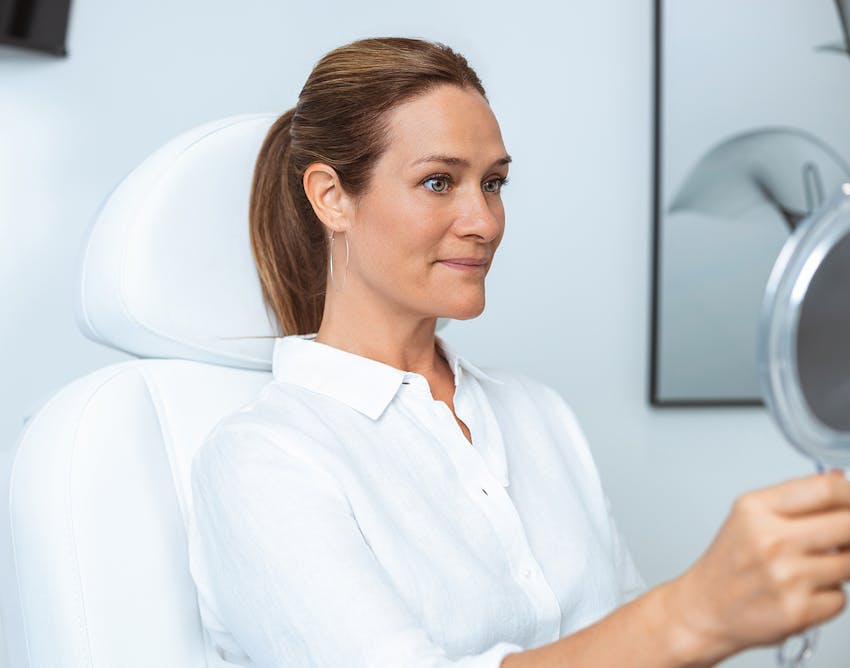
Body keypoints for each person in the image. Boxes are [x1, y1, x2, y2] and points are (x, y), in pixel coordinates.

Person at [188, 37, 850, 668]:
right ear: (332, 197)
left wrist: (731, 607)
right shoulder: (262, 459)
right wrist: (693, 611)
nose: (483, 221)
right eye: (439, 182)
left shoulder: (537, 413)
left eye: (494, 183)